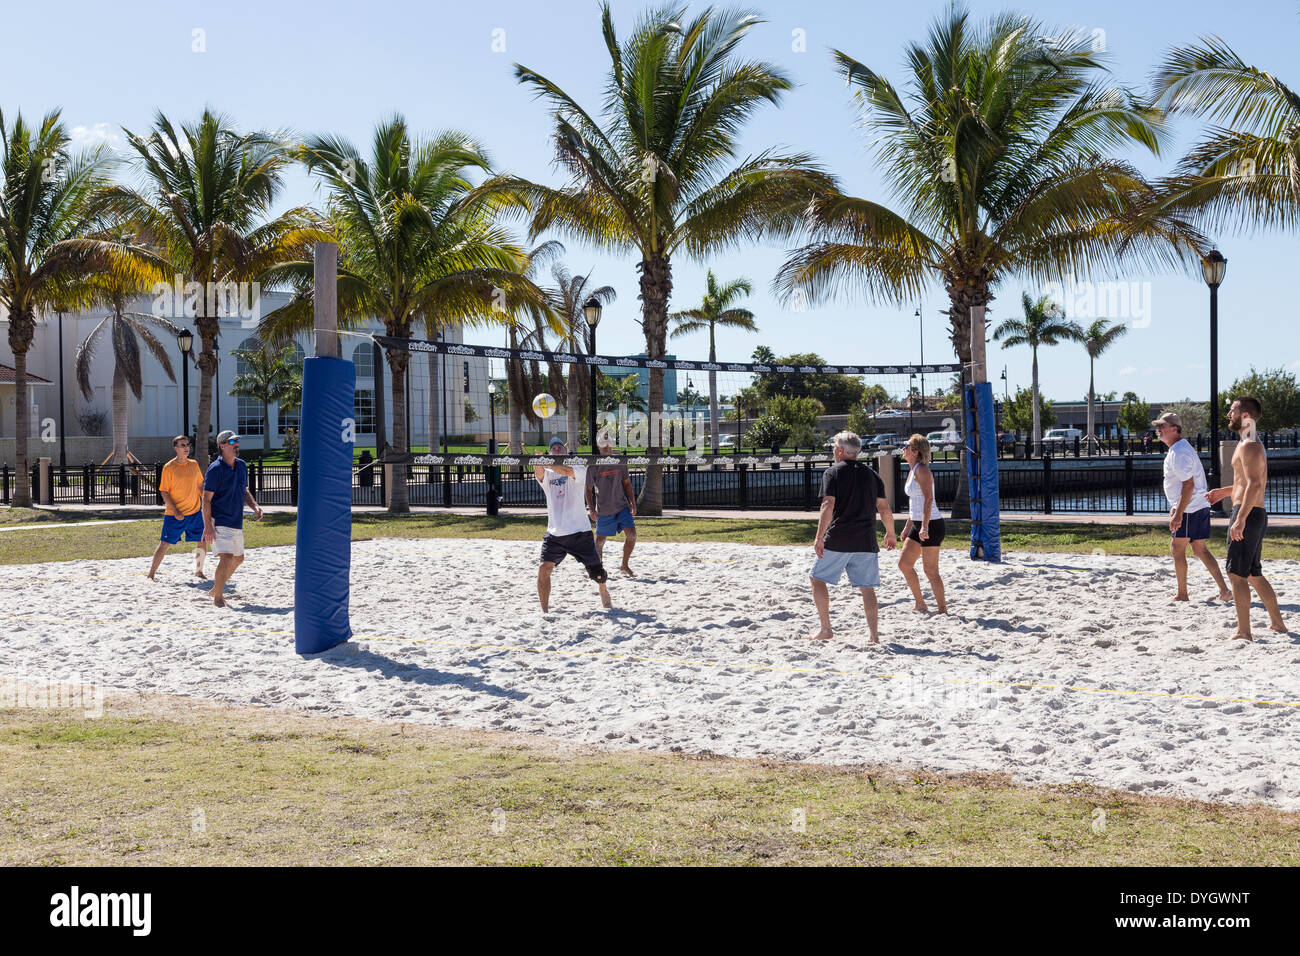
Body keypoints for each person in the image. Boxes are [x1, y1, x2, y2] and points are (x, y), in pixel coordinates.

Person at [1206, 397, 1286, 640]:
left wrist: (1240, 518)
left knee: (1236, 574)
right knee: (1252, 573)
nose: (1229, 414)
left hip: (1248, 514)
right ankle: (1278, 624)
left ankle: (1244, 631)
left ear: (1246, 416)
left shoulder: (1249, 444)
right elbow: (1245, 483)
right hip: (1252, 512)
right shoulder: (1247, 441)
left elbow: (1255, 484)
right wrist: (1225, 491)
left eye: (1233, 410)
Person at [809, 430, 896, 642]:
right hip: (866, 540)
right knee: (867, 589)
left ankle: (826, 629)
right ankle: (874, 636)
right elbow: (884, 509)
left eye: (833, 447)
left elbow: (827, 505)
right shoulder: (873, 475)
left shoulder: (832, 473)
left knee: (816, 578)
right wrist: (891, 534)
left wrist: (819, 536)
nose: (832, 451)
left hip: (840, 537)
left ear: (840, 450)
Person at [1153, 411, 1231, 603]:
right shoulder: (1180, 448)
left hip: (1190, 508)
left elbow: (1189, 485)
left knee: (1177, 548)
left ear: (1175, 429)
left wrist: (1179, 513)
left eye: (1162, 426)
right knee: (1200, 549)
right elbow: (1185, 485)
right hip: (1196, 506)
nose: (1158, 430)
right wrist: (1176, 507)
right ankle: (1224, 591)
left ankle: (1182, 594)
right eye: (1157, 426)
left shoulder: (1179, 452)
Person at [535, 436, 610, 612]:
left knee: (598, 574)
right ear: (549, 452)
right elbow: (539, 472)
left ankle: (603, 591)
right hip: (555, 534)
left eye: (560, 447)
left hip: (579, 533)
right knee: (543, 569)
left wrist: (546, 462)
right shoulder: (547, 473)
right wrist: (537, 461)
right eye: (554, 448)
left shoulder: (577, 468)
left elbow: (567, 472)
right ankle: (544, 611)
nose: (557, 450)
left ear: (566, 451)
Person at [201, 430, 263, 608]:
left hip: (236, 520)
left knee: (238, 559)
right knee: (227, 558)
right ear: (222, 445)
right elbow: (206, 499)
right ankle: (218, 597)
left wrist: (255, 506)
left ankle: (216, 587)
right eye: (232, 441)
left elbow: (244, 490)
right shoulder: (215, 469)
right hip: (219, 520)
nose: (236, 444)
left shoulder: (241, 465)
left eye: (237, 441)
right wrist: (208, 526)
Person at [897, 434, 947, 613]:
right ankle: (920, 603)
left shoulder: (923, 470)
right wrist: (907, 527)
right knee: (904, 564)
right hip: (918, 524)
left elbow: (928, 499)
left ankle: (942, 609)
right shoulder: (913, 470)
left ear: (915, 451)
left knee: (930, 571)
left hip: (931, 524)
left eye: (907, 445)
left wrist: (924, 526)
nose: (903, 447)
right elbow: (915, 502)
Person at [147, 435, 208, 581]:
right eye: (182, 445)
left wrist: (206, 503)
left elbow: (200, 486)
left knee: (202, 540)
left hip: (194, 512)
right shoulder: (169, 467)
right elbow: (164, 491)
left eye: (187, 445)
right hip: (175, 515)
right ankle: (151, 574)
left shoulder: (194, 465)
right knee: (165, 543)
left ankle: (199, 571)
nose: (186, 448)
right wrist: (176, 511)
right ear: (176, 448)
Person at [585, 433, 637, 576]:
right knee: (600, 541)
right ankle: (598, 568)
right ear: (598, 446)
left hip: (622, 506)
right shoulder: (593, 464)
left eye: (609, 443)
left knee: (632, 535)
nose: (607, 446)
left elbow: (627, 484)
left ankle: (624, 565)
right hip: (604, 509)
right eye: (603, 444)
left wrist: (633, 503)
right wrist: (591, 508)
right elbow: (588, 489)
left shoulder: (619, 461)